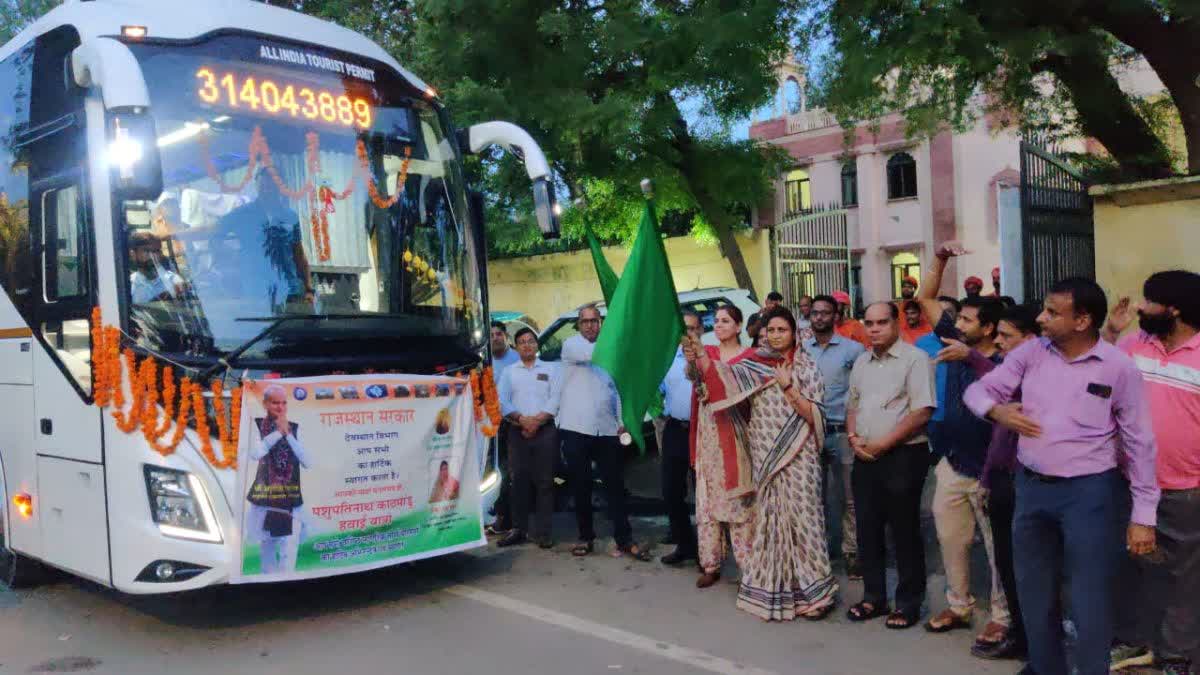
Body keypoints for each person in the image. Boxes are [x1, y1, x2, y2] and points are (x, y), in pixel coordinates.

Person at [963, 277, 1159, 675]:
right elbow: (979, 392)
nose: (1041, 318)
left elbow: (1140, 443)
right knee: (1035, 595)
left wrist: (1144, 515)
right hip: (1031, 490)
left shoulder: (1118, 367)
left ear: (1083, 320)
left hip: (1091, 494)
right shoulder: (1032, 352)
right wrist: (996, 411)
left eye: (1053, 312)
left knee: (1090, 598)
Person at [686, 306, 837, 621]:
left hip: (800, 458)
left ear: (794, 333)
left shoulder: (806, 367)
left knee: (804, 521)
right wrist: (699, 354)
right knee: (771, 522)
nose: (776, 335)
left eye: (783, 330)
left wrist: (788, 388)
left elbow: (817, 417)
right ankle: (779, 589)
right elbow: (720, 378)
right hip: (764, 457)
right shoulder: (754, 365)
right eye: (771, 330)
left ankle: (815, 594)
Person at [914, 242, 1011, 648]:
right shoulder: (953, 340)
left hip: (991, 469)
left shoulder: (1008, 361)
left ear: (988, 329)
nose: (959, 323)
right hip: (952, 464)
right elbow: (925, 298)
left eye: (968, 319)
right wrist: (940, 258)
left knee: (997, 550)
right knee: (951, 540)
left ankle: (1004, 617)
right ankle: (959, 604)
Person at [1104, 271, 1200, 675]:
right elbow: (1097, 372)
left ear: (1174, 308)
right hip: (1132, 484)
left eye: (1149, 300)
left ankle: (1177, 655)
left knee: (1185, 577)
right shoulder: (1134, 345)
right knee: (1135, 569)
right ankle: (1137, 642)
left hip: (1187, 489)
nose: (1140, 307)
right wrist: (1110, 333)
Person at [938, 303, 1041, 661]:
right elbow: (998, 426)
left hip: (1025, 481)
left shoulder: (1035, 371)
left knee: (1014, 561)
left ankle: (1019, 630)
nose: (1000, 342)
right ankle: (1018, 635)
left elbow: (1002, 401)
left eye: (1006, 336)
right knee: (977, 549)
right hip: (975, 469)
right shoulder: (968, 356)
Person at [844, 302, 936, 629]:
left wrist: (883, 444)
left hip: (904, 455)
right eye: (869, 323)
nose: (874, 329)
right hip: (865, 456)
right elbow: (852, 405)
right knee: (867, 528)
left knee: (904, 530)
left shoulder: (915, 359)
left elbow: (922, 411)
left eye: (882, 322)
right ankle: (874, 597)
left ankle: (909, 602)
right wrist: (854, 439)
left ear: (896, 323)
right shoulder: (861, 362)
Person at [547, 305, 649, 560]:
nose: (590, 325)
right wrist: (622, 343)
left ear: (601, 322)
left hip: (606, 428)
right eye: (585, 321)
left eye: (595, 321)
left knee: (615, 486)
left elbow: (618, 388)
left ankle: (624, 539)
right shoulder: (572, 345)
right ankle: (585, 537)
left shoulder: (611, 348)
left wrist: (622, 419)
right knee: (580, 486)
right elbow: (600, 355)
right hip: (575, 427)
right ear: (578, 325)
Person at [164, 169, 314, 312]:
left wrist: (308, 288)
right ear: (257, 185)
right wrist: (170, 235)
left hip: (291, 291)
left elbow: (299, 255)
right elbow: (209, 230)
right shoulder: (243, 214)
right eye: (263, 185)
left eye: (271, 185)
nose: (267, 189)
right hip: (258, 293)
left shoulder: (290, 216)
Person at [688, 305, 754, 588]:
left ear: (739, 326)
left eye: (726, 321)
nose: (719, 325)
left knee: (739, 502)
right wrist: (693, 357)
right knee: (707, 501)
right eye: (716, 321)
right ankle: (711, 563)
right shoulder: (709, 353)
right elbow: (695, 379)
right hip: (708, 434)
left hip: (737, 433)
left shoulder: (749, 358)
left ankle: (748, 566)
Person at [803, 295, 866, 579]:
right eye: (814, 313)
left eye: (825, 313)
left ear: (835, 316)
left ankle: (853, 552)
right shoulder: (801, 351)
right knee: (814, 497)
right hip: (809, 433)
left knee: (851, 497)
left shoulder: (853, 350)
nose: (819, 318)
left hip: (842, 433)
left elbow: (864, 390)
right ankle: (818, 553)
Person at [496, 327, 559, 549]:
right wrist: (523, 420)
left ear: (537, 345)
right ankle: (519, 529)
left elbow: (556, 398)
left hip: (546, 431)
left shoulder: (552, 369)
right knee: (518, 482)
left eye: (531, 341)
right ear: (516, 346)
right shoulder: (509, 372)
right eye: (522, 342)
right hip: (517, 431)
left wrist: (537, 421)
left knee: (544, 483)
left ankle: (544, 533)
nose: (527, 345)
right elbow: (502, 401)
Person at [246, 384, 311, 575]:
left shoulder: (295, 428)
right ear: (265, 404)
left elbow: (308, 461)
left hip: (290, 499)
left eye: (284, 403)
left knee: (289, 549)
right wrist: (277, 434)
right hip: (265, 497)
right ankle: (269, 585)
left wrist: (288, 434)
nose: (281, 407)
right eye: (275, 403)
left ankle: (287, 585)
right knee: (267, 547)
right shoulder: (256, 425)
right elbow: (256, 453)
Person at [658, 310, 703, 566]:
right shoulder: (667, 361)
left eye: (694, 328)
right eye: (685, 328)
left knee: (704, 493)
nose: (689, 333)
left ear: (700, 331)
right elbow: (658, 394)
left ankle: (709, 551)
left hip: (702, 432)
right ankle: (684, 544)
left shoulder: (708, 359)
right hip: (675, 429)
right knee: (671, 490)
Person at [487, 320, 522, 535]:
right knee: (495, 472)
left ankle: (513, 519)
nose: (495, 338)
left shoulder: (517, 359)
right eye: (491, 335)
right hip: (491, 426)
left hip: (514, 423)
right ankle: (499, 516)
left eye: (499, 334)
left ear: (506, 337)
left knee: (513, 472)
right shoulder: (484, 361)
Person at [128, 231, 187, 304]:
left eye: (157, 251)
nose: (153, 256)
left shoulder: (174, 280)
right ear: (133, 254)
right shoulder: (129, 286)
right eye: (147, 251)